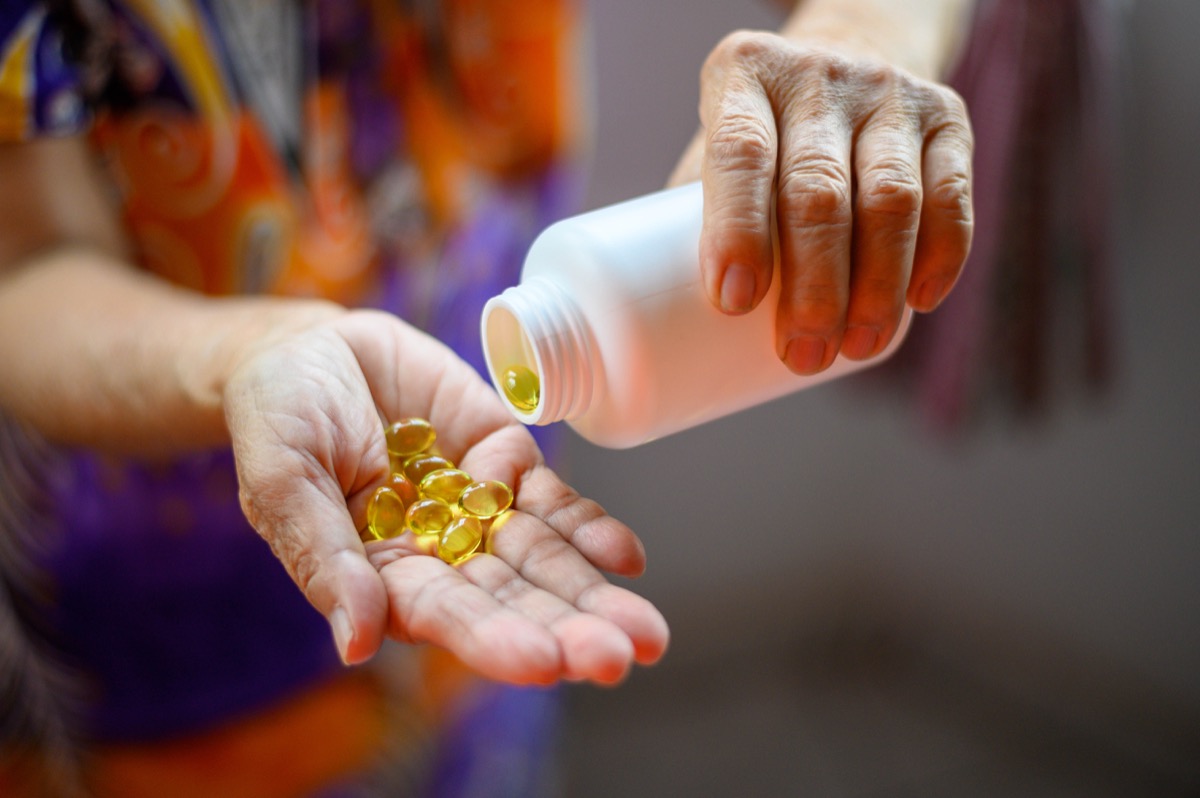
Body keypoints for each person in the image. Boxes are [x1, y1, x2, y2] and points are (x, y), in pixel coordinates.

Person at [0, 0, 973, 795]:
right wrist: (256, 351)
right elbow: (25, 266)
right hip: (128, 664)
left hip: (467, 596)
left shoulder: (539, 411)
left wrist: (859, 38)